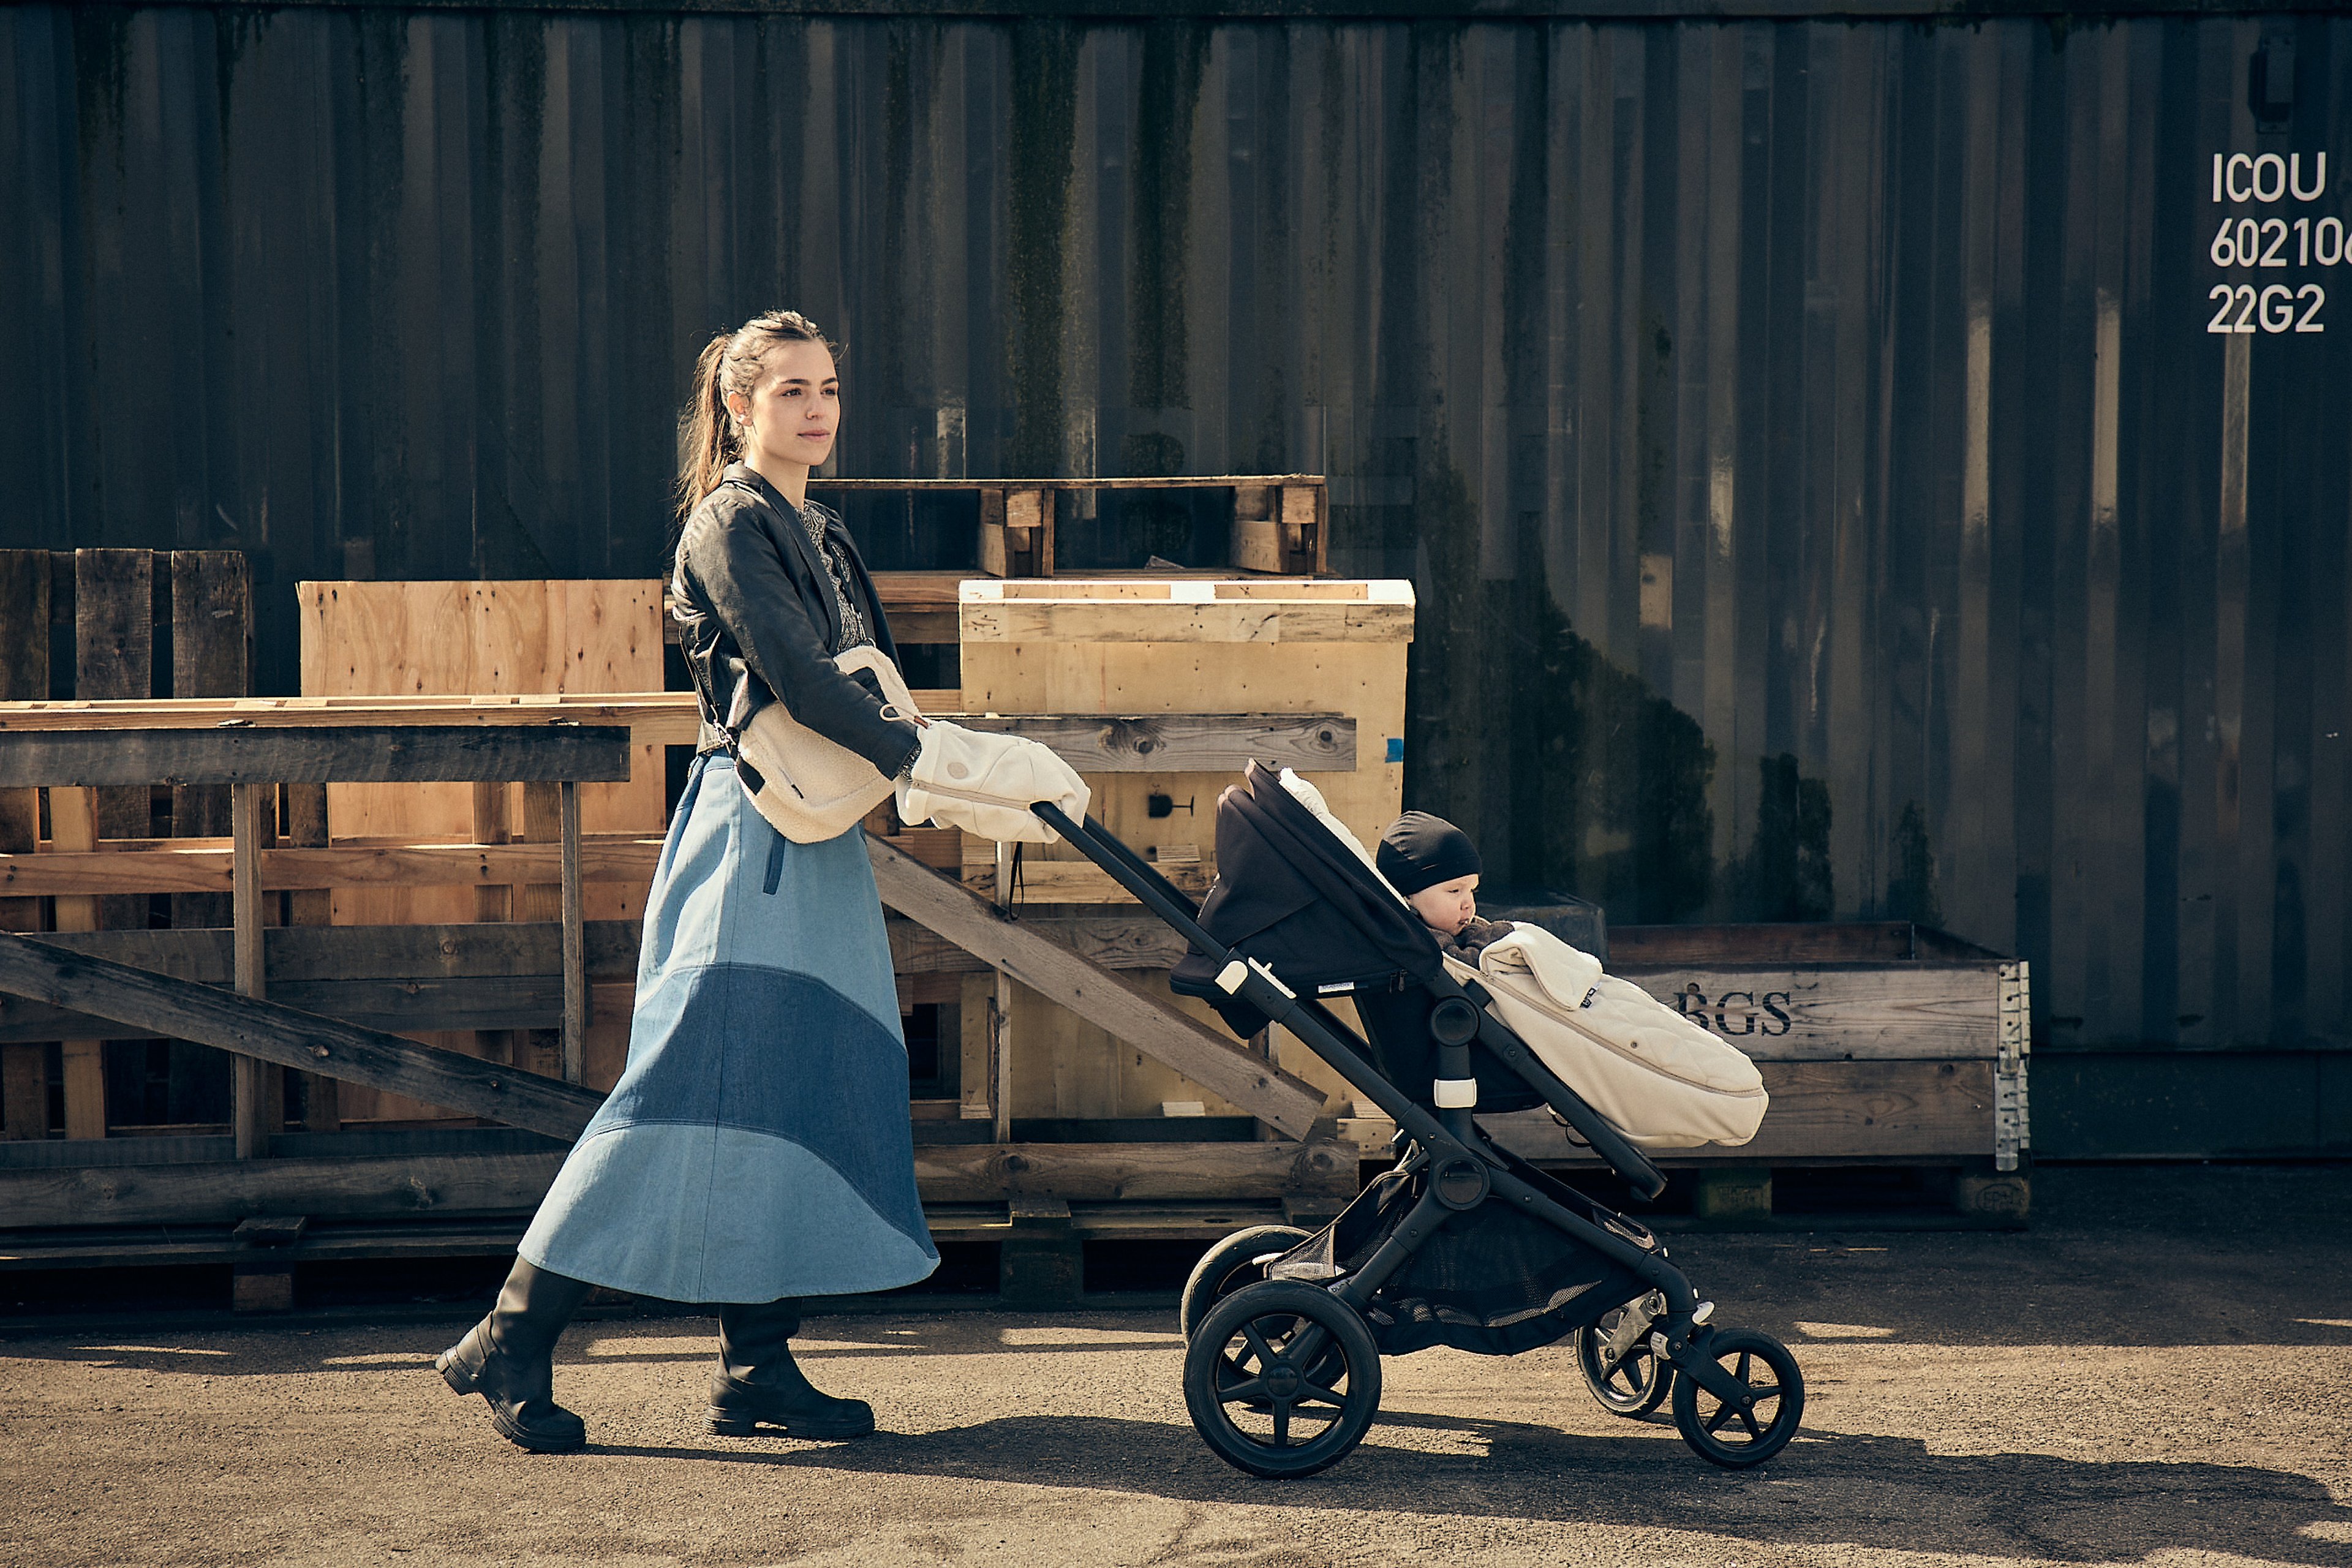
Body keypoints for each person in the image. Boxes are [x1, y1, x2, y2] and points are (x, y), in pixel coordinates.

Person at [437, 309, 939, 1453]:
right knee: (675, 1092)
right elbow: (800, 675)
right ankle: (513, 1333)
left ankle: (756, 1366)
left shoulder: (827, 529)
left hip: (821, 834)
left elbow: (871, 677)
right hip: (748, 834)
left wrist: (921, 747)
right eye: (792, 392)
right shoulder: (728, 526)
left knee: (792, 1087)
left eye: (829, 389)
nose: (817, 410)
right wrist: (921, 756)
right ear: (738, 406)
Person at [1376, 810, 1512, 961]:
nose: (1468, 905)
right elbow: (1465, 965)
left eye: (1473, 890)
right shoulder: (1419, 939)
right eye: (1455, 891)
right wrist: (1497, 936)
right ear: (1408, 895)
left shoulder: (1459, 926)